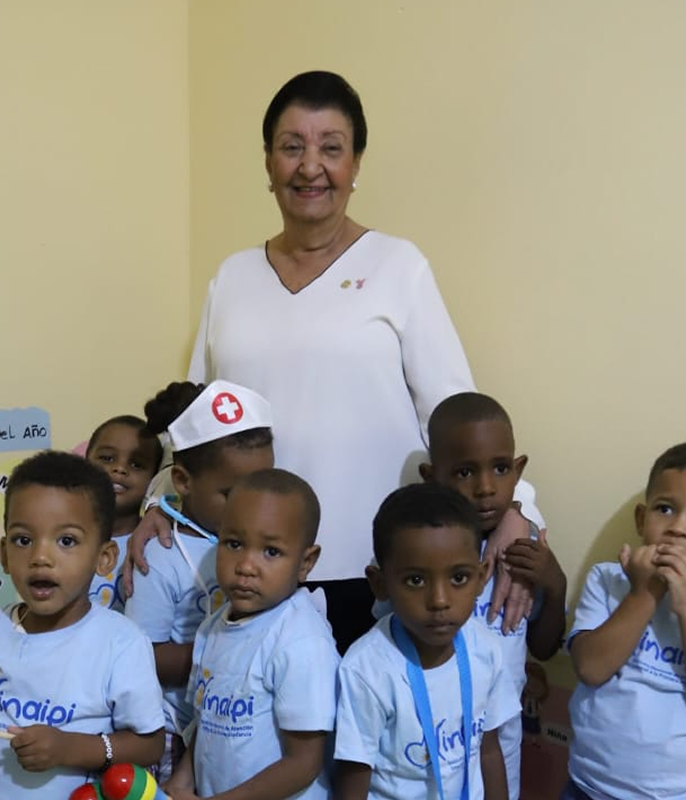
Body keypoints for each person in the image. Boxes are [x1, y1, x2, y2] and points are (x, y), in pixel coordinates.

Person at [125, 69, 540, 652]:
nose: (309, 166)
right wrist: (159, 504)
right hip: (254, 572)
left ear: (356, 165)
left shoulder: (400, 267)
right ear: (268, 163)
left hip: (379, 570)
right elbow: (196, 423)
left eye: (331, 148)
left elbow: (455, 416)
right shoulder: (233, 277)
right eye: (291, 147)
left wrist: (519, 509)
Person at [0, 450, 165, 800]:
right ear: (3, 554)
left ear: (104, 557)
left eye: (66, 541)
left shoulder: (121, 643)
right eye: (23, 540)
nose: (40, 557)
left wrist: (68, 749)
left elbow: (149, 745)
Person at [563, 443, 686, 800]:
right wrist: (643, 594)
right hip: (591, 788)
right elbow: (591, 668)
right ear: (642, 520)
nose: (677, 528)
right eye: (665, 509)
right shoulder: (609, 581)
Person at [123, 380, 274, 778]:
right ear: (185, 482)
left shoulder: (261, 546)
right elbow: (141, 656)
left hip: (235, 724)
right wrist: (227, 654)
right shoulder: (161, 555)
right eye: (233, 493)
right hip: (175, 731)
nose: (252, 507)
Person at [420, 391, 567, 800]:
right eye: (465, 473)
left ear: (518, 471)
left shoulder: (526, 551)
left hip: (501, 738)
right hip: (427, 735)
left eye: (500, 468)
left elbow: (543, 645)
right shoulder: (422, 548)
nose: (486, 488)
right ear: (432, 477)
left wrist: (555, 586)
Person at [163, 468, 339, 800]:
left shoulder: (301, 641)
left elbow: (303, 763)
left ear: (306, 562)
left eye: (270, 552)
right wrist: (181, 782)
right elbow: (207, 721)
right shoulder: (212, 628)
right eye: (234, 544)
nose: (245, 565)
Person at [335, 483, 516, 800]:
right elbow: (354, 778)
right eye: (415, 580)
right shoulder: (366, 670)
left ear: (481, 576)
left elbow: (487, 751)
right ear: (380, 583)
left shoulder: (486, 649)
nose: (439, 600)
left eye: (458, 577)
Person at [82, 414, 163, 612]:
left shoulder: (154, 545)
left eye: (136, 464)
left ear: (154, 478)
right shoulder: (64, 538)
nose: (119, 468)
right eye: (107, 458)